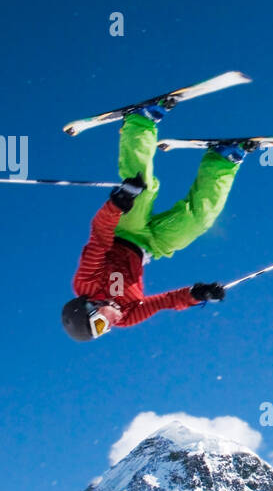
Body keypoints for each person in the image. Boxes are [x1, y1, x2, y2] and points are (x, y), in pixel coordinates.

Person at [60, 99, 254, 341]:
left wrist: (117, 204)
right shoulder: (128, 316)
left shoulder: (86, 283)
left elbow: (99, 236)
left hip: (124, 231)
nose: (109, 325)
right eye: (103, 331)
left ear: (90, 306)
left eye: (99, 324)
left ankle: (139, 122)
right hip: (150, 247)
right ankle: (222, 160)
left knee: (142, 188)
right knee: (199, 220)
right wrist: (197, 294)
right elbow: (164, 302)